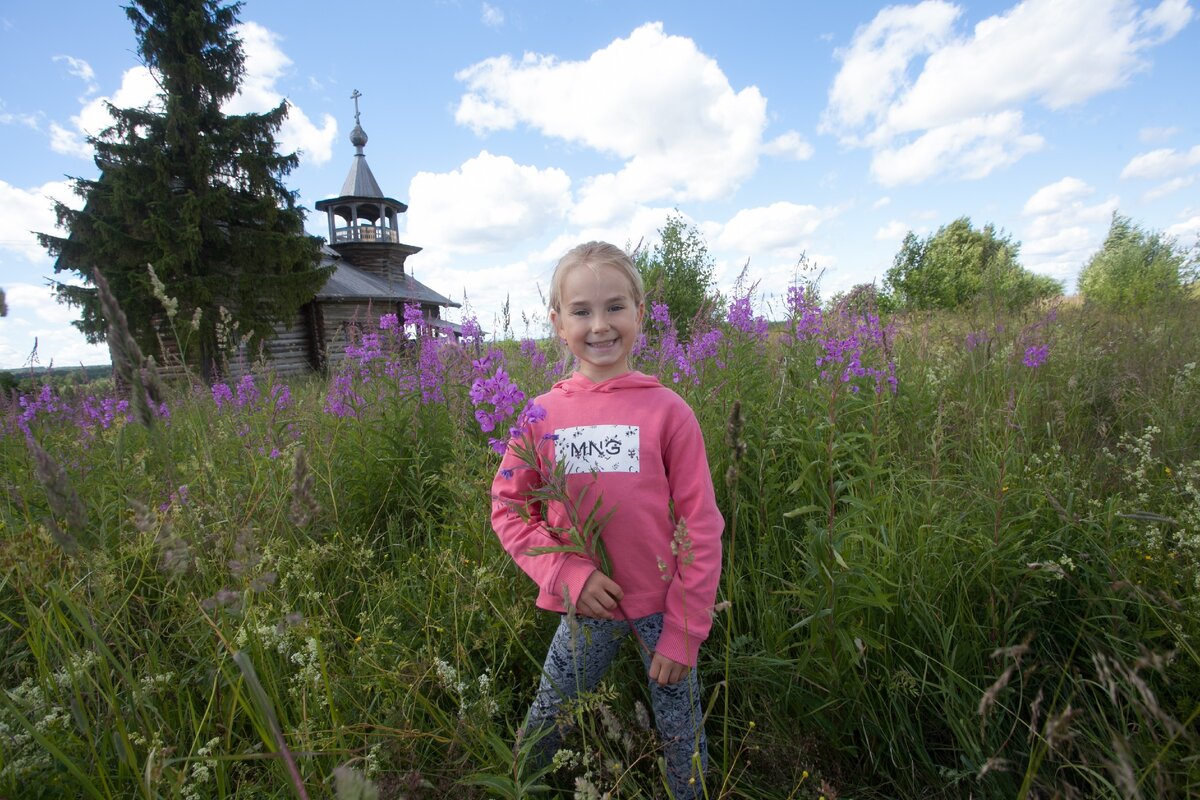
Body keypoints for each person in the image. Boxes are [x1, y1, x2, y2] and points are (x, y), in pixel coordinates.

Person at [490, 241, 724, 799]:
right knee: (549, 715)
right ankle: (523, 788)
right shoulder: (541, 414)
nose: (600, 325)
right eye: (581, 311)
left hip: (662, 609)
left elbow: (701, 522)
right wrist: (566, 574)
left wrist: (684, 632)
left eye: (615, 307)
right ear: (557, 322)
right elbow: (509, 507)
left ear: (640, 313)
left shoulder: (669, 410)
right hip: (586, 607)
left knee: (679, 729)